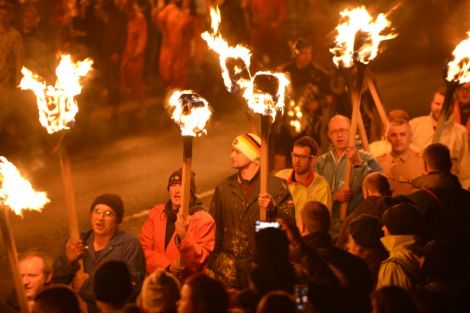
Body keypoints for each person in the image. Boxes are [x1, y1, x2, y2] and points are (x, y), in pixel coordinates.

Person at [208, 133, 295, 289]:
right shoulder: (224, 188)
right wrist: (212, 263)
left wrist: (273, 210)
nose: (231, 155)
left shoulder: (276, 187)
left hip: (261, 270)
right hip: (227, 270)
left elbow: (289, 227)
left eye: (237, 151)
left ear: (253, 155)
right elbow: (215, 231)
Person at [52, 193, 146, 313]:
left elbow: (132, 287)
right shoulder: (76, 242)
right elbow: (57, 283)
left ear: (117, 219)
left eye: (108, 214)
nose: (100, 218)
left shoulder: (129, 245)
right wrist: (68, 261)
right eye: (97, 211)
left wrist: (86, 288)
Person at [138, 168, 216, 278]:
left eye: (182, 185)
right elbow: (142, 250)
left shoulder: (204, 220)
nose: (177, 190)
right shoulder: (156, 213)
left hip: (186, 288)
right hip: (158, 284)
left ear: (191, 192)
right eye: (173, 185)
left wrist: (184, 237)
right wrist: (167, 267)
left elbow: (199, 260)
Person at [314, 115, 382, 237]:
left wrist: (357, 163)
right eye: (334, 132)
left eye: (343, 130)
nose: (339, 135)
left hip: (355, 228)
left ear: (351, 132)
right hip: (327, 229)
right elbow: (313, 195)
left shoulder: (367, 158)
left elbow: (379, 189)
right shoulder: (321, 162)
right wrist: (333, 196)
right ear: (329, 135)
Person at [300, 201, 373, 313]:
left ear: (302, 226)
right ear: (328, 225)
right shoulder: (357, 264)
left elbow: (300, 306)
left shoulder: (299, 265)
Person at [405, 143, 470, 249]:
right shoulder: (466, 198)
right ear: (450, 165)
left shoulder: (414, 201)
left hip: (430, 261)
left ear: (425, 165)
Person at [410, 87, 469, 188]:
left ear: (452, 106)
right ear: (431, 103)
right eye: (437, 104)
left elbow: (465, 171)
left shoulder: (460, 132)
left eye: (445, 105)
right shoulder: (414, 126)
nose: (441, 108)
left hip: (449, 191)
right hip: (420, 189)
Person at [276, 136, 332, 225]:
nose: (297, 161)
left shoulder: (321, 187)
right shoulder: (280, 177)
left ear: (313, 159)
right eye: (295, 155)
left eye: (302, 157)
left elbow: (321, 225)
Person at [377, 203, 422, 291]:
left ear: (395, 227)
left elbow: (388, 301)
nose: (383, 228)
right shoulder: (421, 252)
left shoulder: (393, 265)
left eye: (387, 224)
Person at [377, 119, 425, 196]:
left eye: (402, 134)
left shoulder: (422, 162)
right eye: (393, 135)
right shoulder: (379, 162)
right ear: (388, 138)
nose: (398, 139)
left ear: (410, 137)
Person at [155, 0, 196, 89]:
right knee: (166, 74)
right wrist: (165, 35)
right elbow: (159, 19)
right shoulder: (170, 9)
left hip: (182, 51)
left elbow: (193, 33)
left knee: (179, 78)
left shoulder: (190, 15)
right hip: (169, 47)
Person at [345, 214, 388, 285]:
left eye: (349, 241)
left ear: (360, 249)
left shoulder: (364, 273)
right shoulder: (382, 258)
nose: (347, 246)